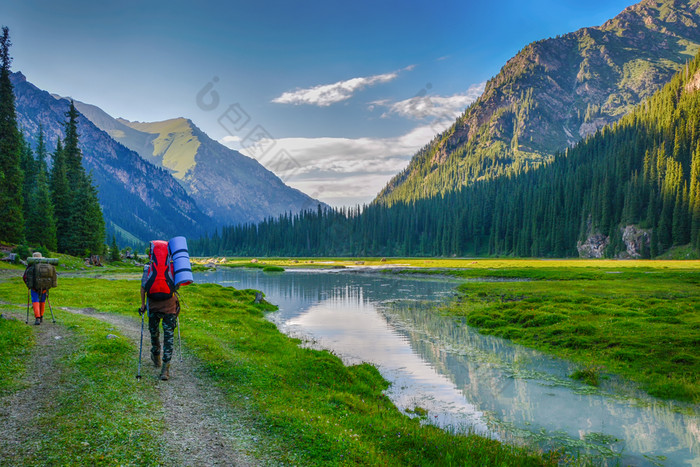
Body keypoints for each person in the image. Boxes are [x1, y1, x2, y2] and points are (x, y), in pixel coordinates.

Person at [139, 248, 180, 381]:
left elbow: (143, 287)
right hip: (170, 307)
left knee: (154, 333)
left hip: (153, 305)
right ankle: (165, 370)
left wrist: (143, 304)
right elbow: (177, 286)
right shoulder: (173, 266)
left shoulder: (148, 267)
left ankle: (156, 356)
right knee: (169, 337)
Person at [24, 252, 48, 325]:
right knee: (42, 301)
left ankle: (37, 318)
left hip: (34, 287)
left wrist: (28, 285)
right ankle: (41, 316)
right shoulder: (46, 265)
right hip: (44, 287)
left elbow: (25, 277)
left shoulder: (30, 265)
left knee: (35, 301)